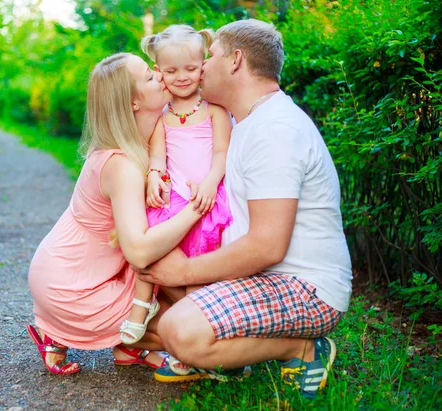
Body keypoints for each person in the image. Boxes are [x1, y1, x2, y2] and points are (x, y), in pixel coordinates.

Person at [137, 19, 353, 398]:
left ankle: (301, 348)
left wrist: (183, 270)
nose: (202, 66)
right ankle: (230, 353)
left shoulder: (275, 130)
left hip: (301, 286)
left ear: (235, 61)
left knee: (178, 331)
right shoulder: (246, 121)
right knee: (134, 315)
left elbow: (268, 247)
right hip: (261, 275)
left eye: (211, 56)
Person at [27, 52, 205, 375]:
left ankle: (126, 347)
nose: (159, 74)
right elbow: (138, 251)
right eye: (149, 77)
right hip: (72, 286)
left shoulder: (137, 139)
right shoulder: (120, 165)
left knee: (172, 295)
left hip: (75, 270)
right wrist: (197, 207)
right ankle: (93, 335)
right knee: (182, 322)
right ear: (134, 102)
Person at [119, 25, 233, 348]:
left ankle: (191, 328)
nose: (181, 77)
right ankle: (143, 304)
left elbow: (222, 152)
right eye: (171, 71)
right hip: (174, 197)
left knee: (198, 265)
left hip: (204, 194)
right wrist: (154, 174)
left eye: (190, 69)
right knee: (152, 247)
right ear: (158, 72)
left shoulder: (214, 109)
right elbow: (157, 155)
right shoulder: (162, 114)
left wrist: (211, 182)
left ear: (202, 67)